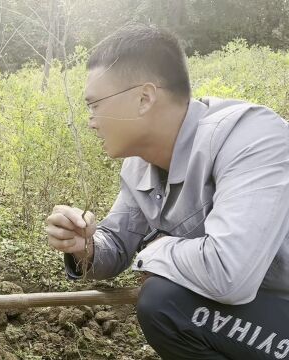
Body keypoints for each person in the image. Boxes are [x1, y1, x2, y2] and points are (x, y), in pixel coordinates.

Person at [45, 24, 289, 359]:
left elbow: (229, 273)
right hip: (255, 309)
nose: (90, 121)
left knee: (164, 299)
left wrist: (154, 253)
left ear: (144, 98)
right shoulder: (140, 164)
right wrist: (85, 246)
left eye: (95, 105)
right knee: (165, 298)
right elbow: (116, 242)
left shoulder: (250, 137)